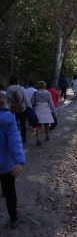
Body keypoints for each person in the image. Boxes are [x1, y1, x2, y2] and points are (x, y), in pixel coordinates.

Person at [0, 93, 26, 229]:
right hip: (6, 165)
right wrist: (19, 161)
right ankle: (14, 219)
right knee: (10, 192)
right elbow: (15, 141)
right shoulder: (8, 119)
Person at [6, 75, 32, 146]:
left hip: (13, 110)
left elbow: (7, 102)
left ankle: (16, 141)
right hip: (22, 110)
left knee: (15, 127)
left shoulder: (8, 89)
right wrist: (30, 108)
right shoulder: (22, 88)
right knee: (23, 126)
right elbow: (27, 100)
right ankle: (24, 141)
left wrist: (8, 109)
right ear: (17, 81)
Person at [31, 81, 55, 146]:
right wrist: (54, 110)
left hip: (38, 109)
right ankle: (47, 136)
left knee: (38, 126)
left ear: (38, 86)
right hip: (46, 110)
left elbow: (32, 102)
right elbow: (51, 102)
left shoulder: (35, 93)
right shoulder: (48, 93)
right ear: (45, 86)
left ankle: (38, 139)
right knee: (46, 124)